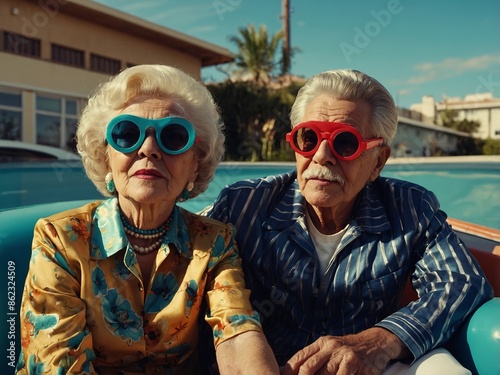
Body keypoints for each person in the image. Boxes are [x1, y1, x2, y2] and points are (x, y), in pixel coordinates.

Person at [205, 69, 493, 374]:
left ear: (378, 161)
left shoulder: (410, 209)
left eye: (345, 143)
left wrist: (380, 341)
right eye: (309, 138)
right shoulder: (243, 205)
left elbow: (462, 282)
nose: (322, 155)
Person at [16, 65, 279, 375]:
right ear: (107, 159)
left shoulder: (214, 242)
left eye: (173, 136)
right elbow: (58, 365)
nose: (149, 149)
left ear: (196, 166)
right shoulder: (60, 239)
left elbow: (236, 330)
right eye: (128, 134)